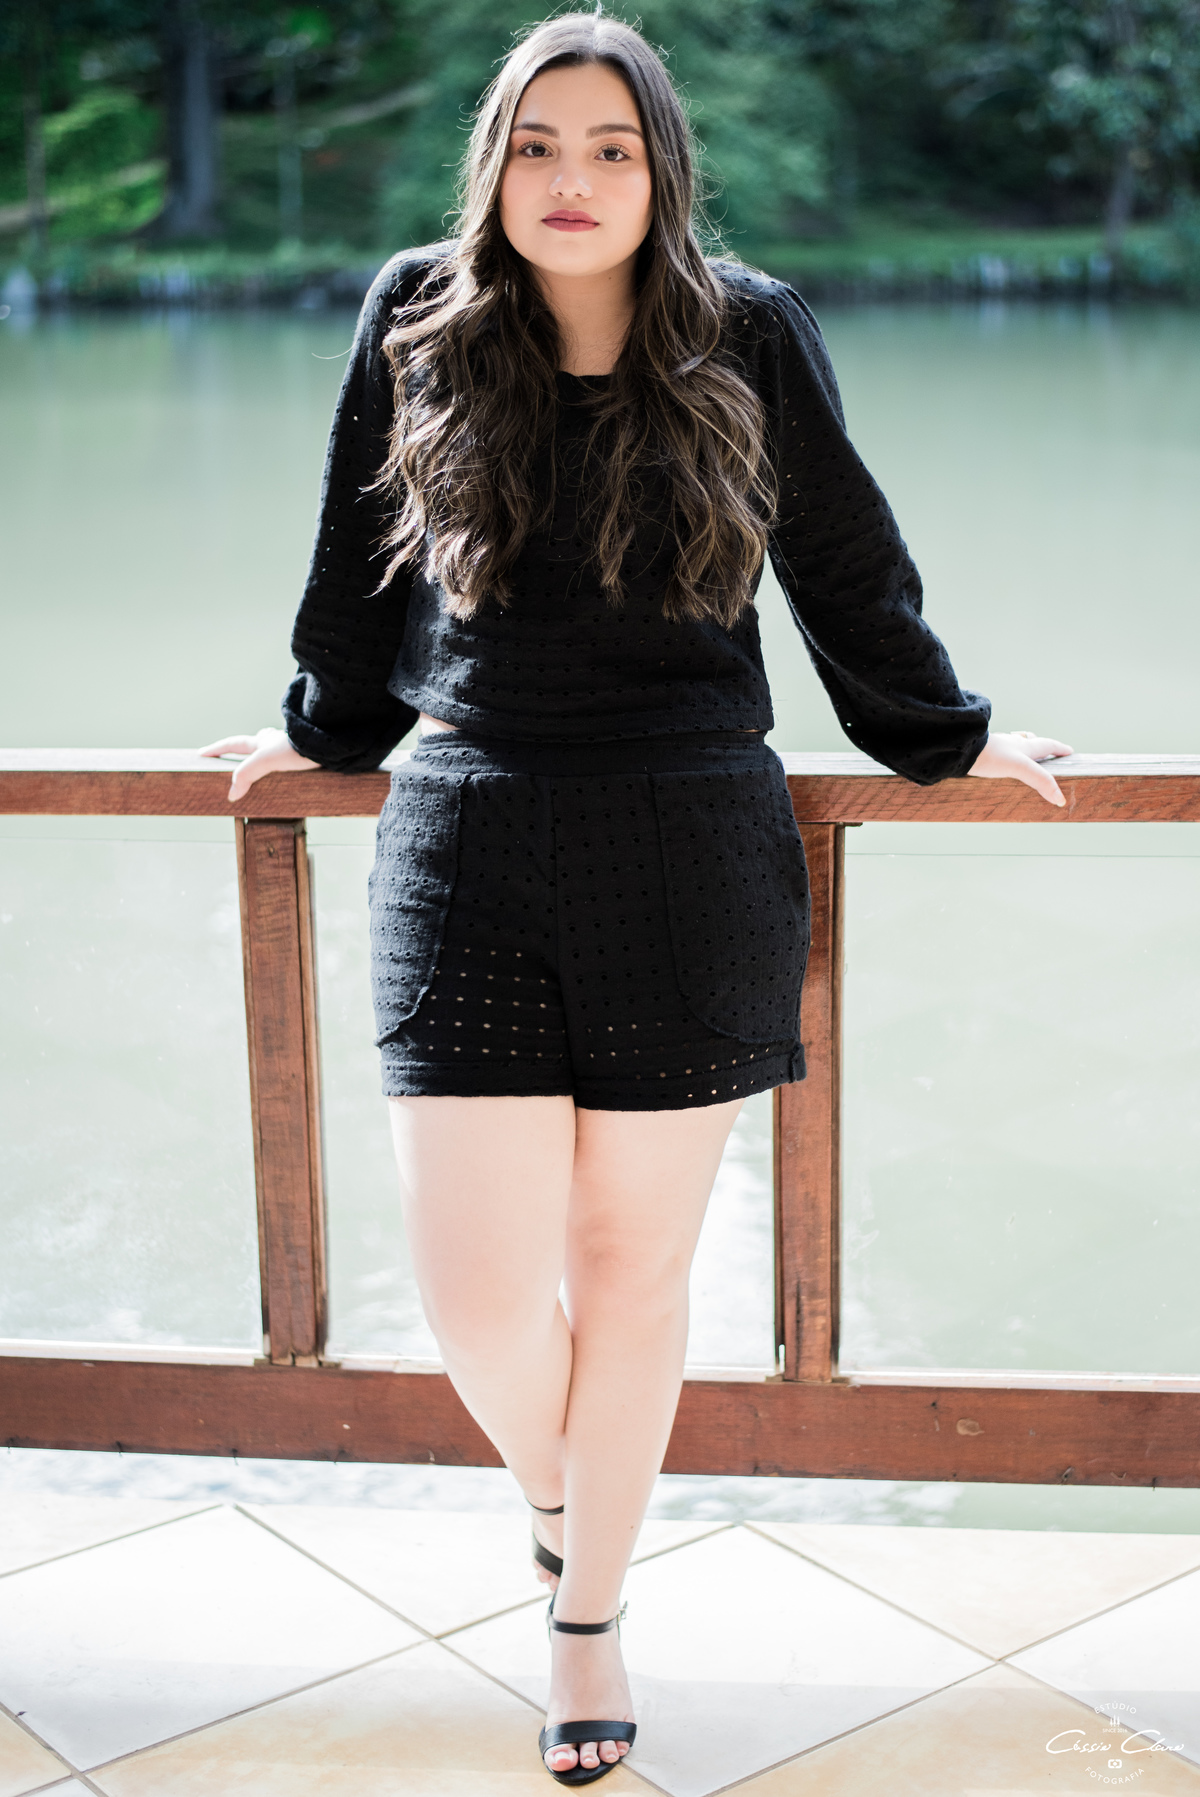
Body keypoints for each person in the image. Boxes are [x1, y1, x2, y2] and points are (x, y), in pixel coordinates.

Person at [202, 12, 1071, 1783]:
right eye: (538, 145)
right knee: (473, 1292)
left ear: (662, 169)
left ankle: (585, 1616)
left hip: (689, 833)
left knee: (630, 1267)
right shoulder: (419, 314)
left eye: (610, 147)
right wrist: (322, 731)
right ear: (494, 166)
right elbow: (355, 562)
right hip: (466, 826)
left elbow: (843, 561)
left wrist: (943, 732)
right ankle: (564, 1489)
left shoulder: (745, 330)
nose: (573, 179)